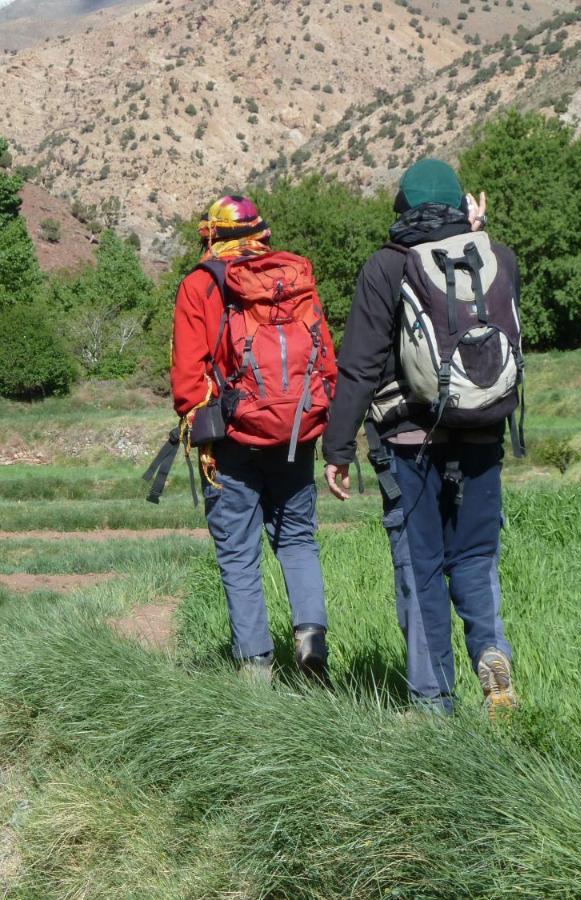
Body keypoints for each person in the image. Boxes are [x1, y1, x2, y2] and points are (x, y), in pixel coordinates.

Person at [322, 159, 522, 716]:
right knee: (477, 557)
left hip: (408, 441)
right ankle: (490, 650)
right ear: (463, 206)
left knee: (421, 566)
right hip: (481, 433)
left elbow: (360, 366)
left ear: (403, 208)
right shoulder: (495, 258)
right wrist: (476, 231)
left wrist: (337, 449)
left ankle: (434, 701)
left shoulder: (387, 266)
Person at [171, 195, 337, 682]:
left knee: (239, 554)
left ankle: (255, 671)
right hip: (296, 434)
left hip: (232, 441)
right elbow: (325, 359)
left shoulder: (200, 284)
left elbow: (187, 379)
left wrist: (200, 428)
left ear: (211, 234)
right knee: (298, 540)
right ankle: (310, 641)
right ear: (261, 231)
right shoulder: (292, 277)